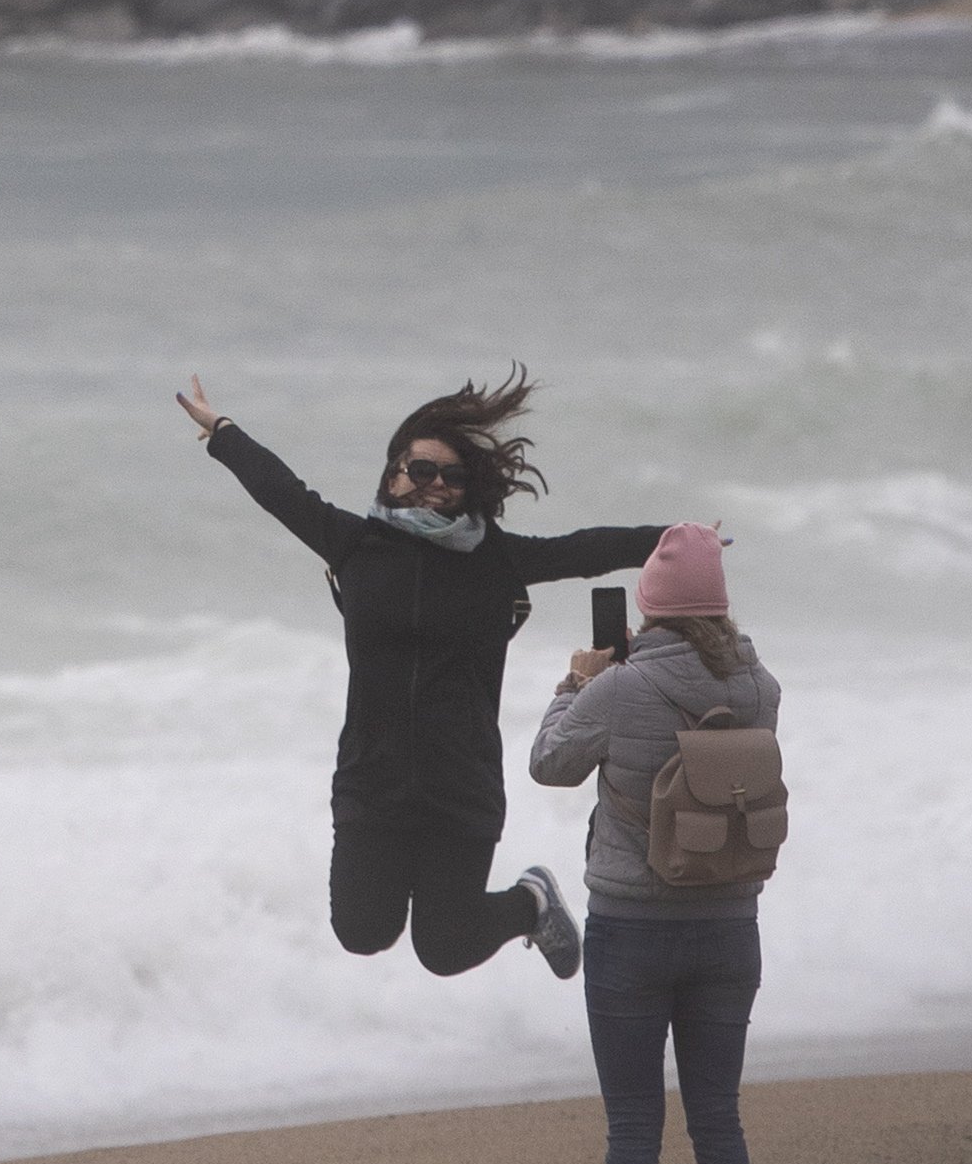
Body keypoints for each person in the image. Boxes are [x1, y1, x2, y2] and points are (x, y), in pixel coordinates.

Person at [174, 369, 669, 982]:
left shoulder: (496, 561)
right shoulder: (354, 546)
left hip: (458, 783)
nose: (435, 484)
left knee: (445, 949)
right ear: (393, 474)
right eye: (421, 470)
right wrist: (222, 432)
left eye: (451, 476)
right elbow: (281, 491)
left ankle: (530, 901)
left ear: (469, 488)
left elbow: (584, 549)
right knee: (360, 931)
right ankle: (526, 902)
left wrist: (672, 543)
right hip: (370, 779)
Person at [530, 521, 776, 1164]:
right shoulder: (758, 683)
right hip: (729, 925)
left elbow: (549, 763)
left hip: (632, 927)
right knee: (719, 1120)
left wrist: (574, 682)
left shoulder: (623, 685)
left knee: (633, 1125)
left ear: (649, 604)